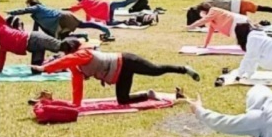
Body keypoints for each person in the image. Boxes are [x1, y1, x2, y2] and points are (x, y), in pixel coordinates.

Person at [33, 38, 200, 106]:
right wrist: (77, 104)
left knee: (155, 70)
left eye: (68, 53)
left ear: (72, 50)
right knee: (123, 100)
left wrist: (44, 68)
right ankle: (148, 95)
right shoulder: (75, 63)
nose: (67, 56)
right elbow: (76, 82)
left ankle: (184, 69)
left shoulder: (82, 53)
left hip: (126, 61)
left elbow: (65, 61)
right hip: (120, 73)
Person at [7, 0, 111, 38]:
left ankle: (102, 29)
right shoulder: (37, 15)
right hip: (64, 15)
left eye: (28, 5)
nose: (28, 7)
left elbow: (24, 11)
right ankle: (97, 30)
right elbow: (36, 28)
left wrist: (11, 12)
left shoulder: (37, 7)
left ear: (32, 4)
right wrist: (34, 37)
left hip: (61, 18)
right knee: (82, 24)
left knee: (60, 39)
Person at [187, 4, 254, 48]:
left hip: (237, 22)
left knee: (250, 36)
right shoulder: (212, 21)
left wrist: (191, 26)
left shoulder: (213, 10)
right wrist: (205, 45)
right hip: (233, 28)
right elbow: (209, 33)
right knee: (247, 40)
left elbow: (204, 20)